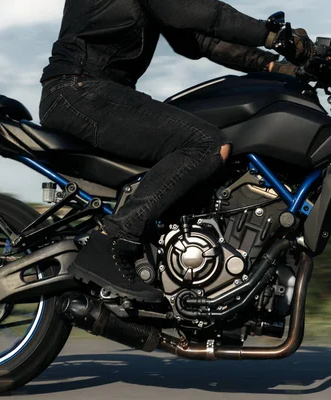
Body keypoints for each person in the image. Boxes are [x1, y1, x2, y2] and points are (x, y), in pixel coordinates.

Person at [39, 0, 315, 303]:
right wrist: (273, 35)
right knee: (206, 145)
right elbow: (205, 13)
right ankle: (111, 241)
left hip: (98, 93)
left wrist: (272, 66)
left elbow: (199, 40)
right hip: (78, 91)